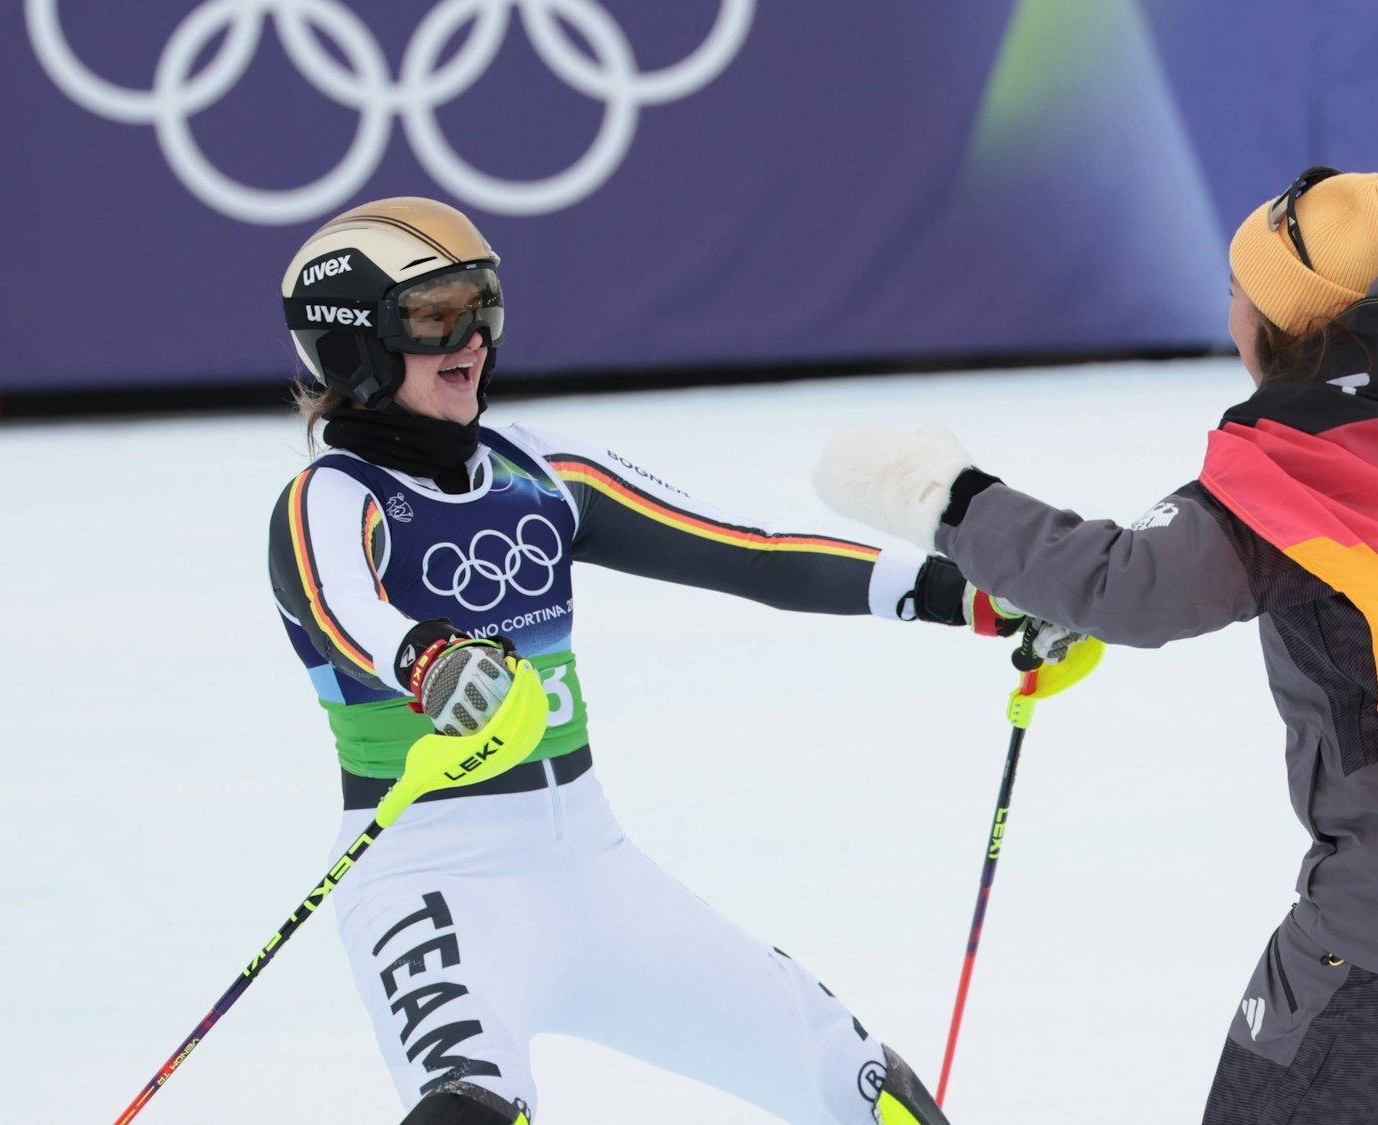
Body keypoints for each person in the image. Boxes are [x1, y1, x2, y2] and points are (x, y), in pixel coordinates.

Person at [813, 168, 1378, 1124]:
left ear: (1280, 320)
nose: (1229, 316)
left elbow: (1131, 584)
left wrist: (946, 494)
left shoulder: (1306, 468)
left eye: (1238, 293)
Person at [269, 196, 1059, 1125]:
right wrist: (430, 661)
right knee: (473, 1109)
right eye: (435, 314)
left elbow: (750, 546)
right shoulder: (328, 496)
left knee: (856, 1086)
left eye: (483, 305)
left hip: (593, 872)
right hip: (429, 878)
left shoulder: (538, 469)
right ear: (353, 345)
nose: (473, 336)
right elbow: (338, 606)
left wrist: (964, 590)